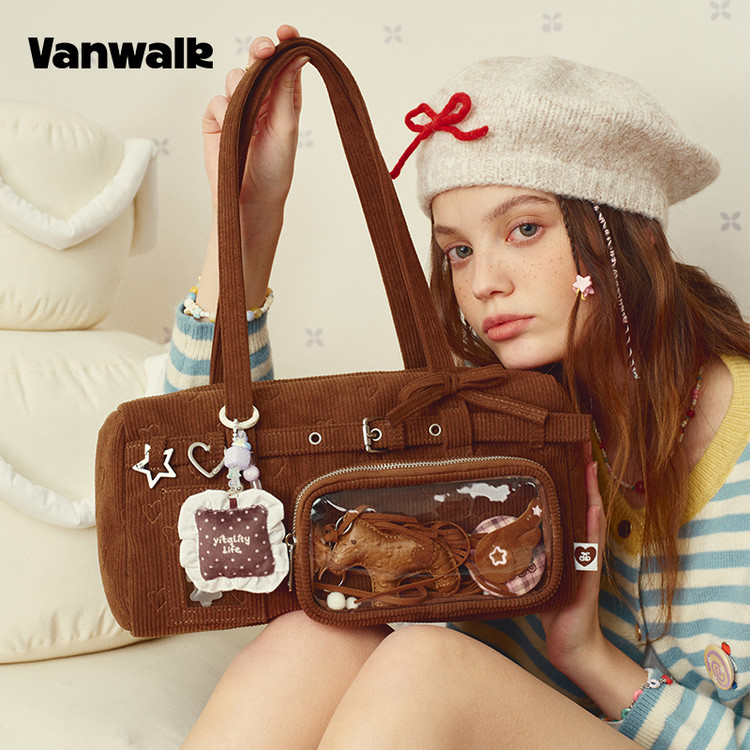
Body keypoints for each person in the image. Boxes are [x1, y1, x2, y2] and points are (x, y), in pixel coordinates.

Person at [174, 25, 750, 750]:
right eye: (458, 250)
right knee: (312, 638)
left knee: (428, 665)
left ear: (626, 234)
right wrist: (247, 226)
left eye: (525, 229)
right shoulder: (486, 423)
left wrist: (588, 659)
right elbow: (211, 471)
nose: (483, 283)